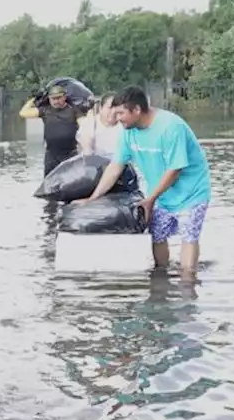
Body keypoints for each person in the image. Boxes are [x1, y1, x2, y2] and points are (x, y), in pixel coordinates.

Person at [77, 86, 211, 279]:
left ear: (137, 110)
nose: (117, 119)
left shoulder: (170, 127)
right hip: (160, 194)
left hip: (192, 192)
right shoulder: (127, 132)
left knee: (189, 237)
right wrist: (92, 198)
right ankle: (161, 280)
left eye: (121, 114)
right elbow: (115, 167)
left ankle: (188, 285)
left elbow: (175, 169)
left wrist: (150, 199)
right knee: (157, 236)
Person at [34, 84, 87, 175]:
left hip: (70, 153)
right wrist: (35, 99)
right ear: (49, 99)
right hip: (51, 155)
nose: (56, 101)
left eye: (58, 98)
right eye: (53, 98)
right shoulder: (45, 110)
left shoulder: (74, 110)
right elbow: (23, 113)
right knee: (49, 182)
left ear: (64, 97)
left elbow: (85, 126)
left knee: (71, 181)